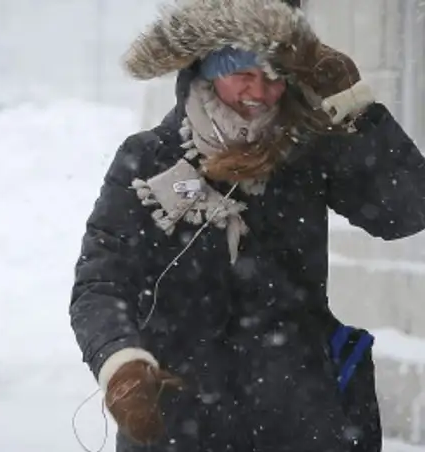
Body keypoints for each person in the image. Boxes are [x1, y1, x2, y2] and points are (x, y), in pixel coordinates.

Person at [69, 0, 425, 451]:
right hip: (177, 423)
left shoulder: (307, 153)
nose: (260, 91)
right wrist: (120, 363)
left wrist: (352, 102)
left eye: (276, 77)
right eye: (244, 73)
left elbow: (407, 209)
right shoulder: (148, 158)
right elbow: (101, 282)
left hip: (298, 420)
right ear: (210, 68)